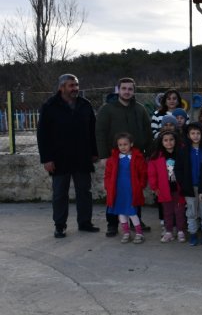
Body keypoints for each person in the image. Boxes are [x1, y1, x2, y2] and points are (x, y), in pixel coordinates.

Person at [37, 74, 100, 238]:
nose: (75, 89)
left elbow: (93, 131)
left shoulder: (85, 105)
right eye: (71, 85)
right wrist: (46, 159)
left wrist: (94, 152)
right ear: (61, 87)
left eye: (76, 85)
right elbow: (42, 135)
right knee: (59, 193)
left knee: (84, 191)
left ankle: (85, 222)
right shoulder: (50, 106)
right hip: (59, 159)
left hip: (82, 157)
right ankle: (60, 226)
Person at [95, 77, 152, 237]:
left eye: (130, 89)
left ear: (134, 91)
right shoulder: (107, 109)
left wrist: (148, 153)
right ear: (118, 90)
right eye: (124, 88)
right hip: (115, 157)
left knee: (135, 188)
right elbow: (100, 132)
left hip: (136, 157)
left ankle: (136, 221)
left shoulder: (140, 109)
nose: (127, 92)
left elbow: (147, 132)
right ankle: (112, 224)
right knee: (114, 189)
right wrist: (104, 155)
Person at [104, 133, 148, 244]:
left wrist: (141, 185)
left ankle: (139, 233)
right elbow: (108, 174)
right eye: (120, 145)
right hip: (118, 190)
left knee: (132, 212)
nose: (123, 147)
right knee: (121, 212)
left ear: (131, 144)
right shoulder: (113, 159)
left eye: (125, 144)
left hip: (131, 190)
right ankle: (126, 233)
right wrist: (108, 186)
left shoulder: (137, 158)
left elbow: (143, 173)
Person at [175, 123, 202, 246]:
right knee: (191, 212)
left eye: (198, 133)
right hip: (189, 187)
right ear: (188, 135)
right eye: (192, 133)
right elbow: (178, 169)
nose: (195, 136)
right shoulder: (183, 151)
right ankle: (193, 234)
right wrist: (183, 182)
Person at [148, 131, 186, 243]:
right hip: (164, 189)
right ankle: (169, 231)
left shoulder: (181, 153)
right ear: (161, 142)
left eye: (171, 139)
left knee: (180, 211)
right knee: (167, 211)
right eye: (166, 140)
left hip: (179, 189)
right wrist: (154, 187)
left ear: (176, 140)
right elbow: (152, 173)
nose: (169, 142)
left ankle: (180, 231)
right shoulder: (156, 156)